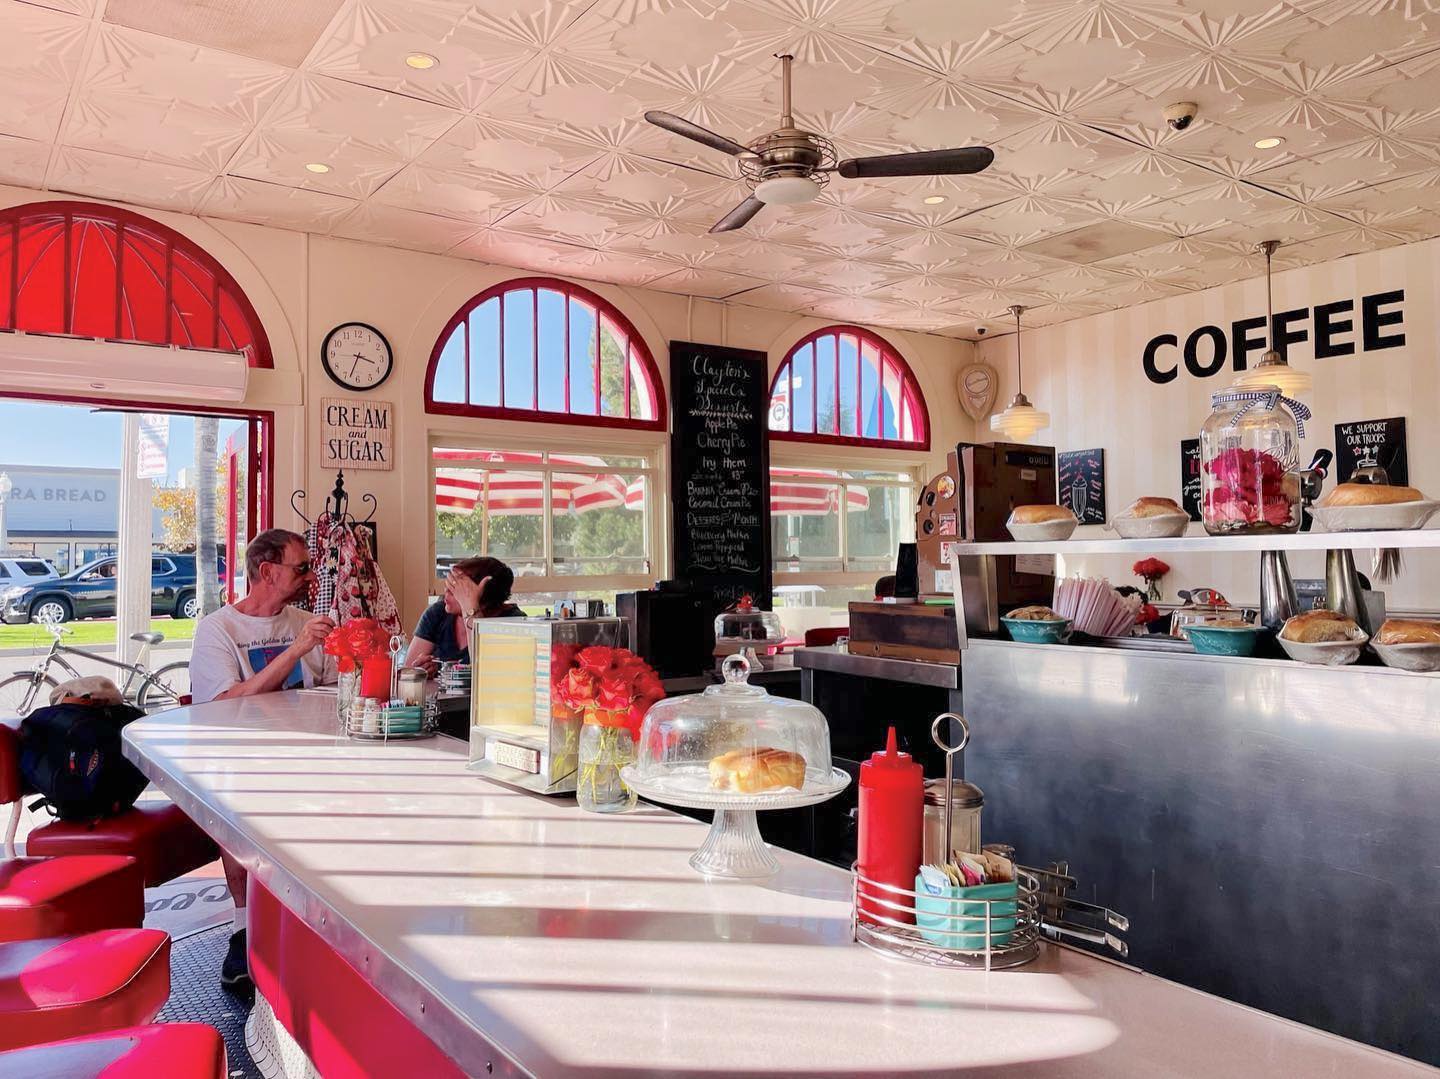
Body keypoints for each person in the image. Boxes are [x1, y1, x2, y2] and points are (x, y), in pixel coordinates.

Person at [189, 528, 337, 996]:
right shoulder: (219, 629)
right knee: (237, 810)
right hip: (244, 755)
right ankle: (243, 929)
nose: (310, 576)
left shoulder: (307, 620)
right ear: (267, 572)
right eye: (301, 567)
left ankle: (315, 931)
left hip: (313, 756)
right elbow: (223, 703)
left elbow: (336, 687)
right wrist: (295, 651)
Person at [404, 557, 522, 675]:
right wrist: (423, 670)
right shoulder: (437, 613)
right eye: (450, 584)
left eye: (458, 587)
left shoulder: (513, 622)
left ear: (485, 600)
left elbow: (486, 672)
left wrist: (470, 609)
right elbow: (408, 672)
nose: (447, 591)